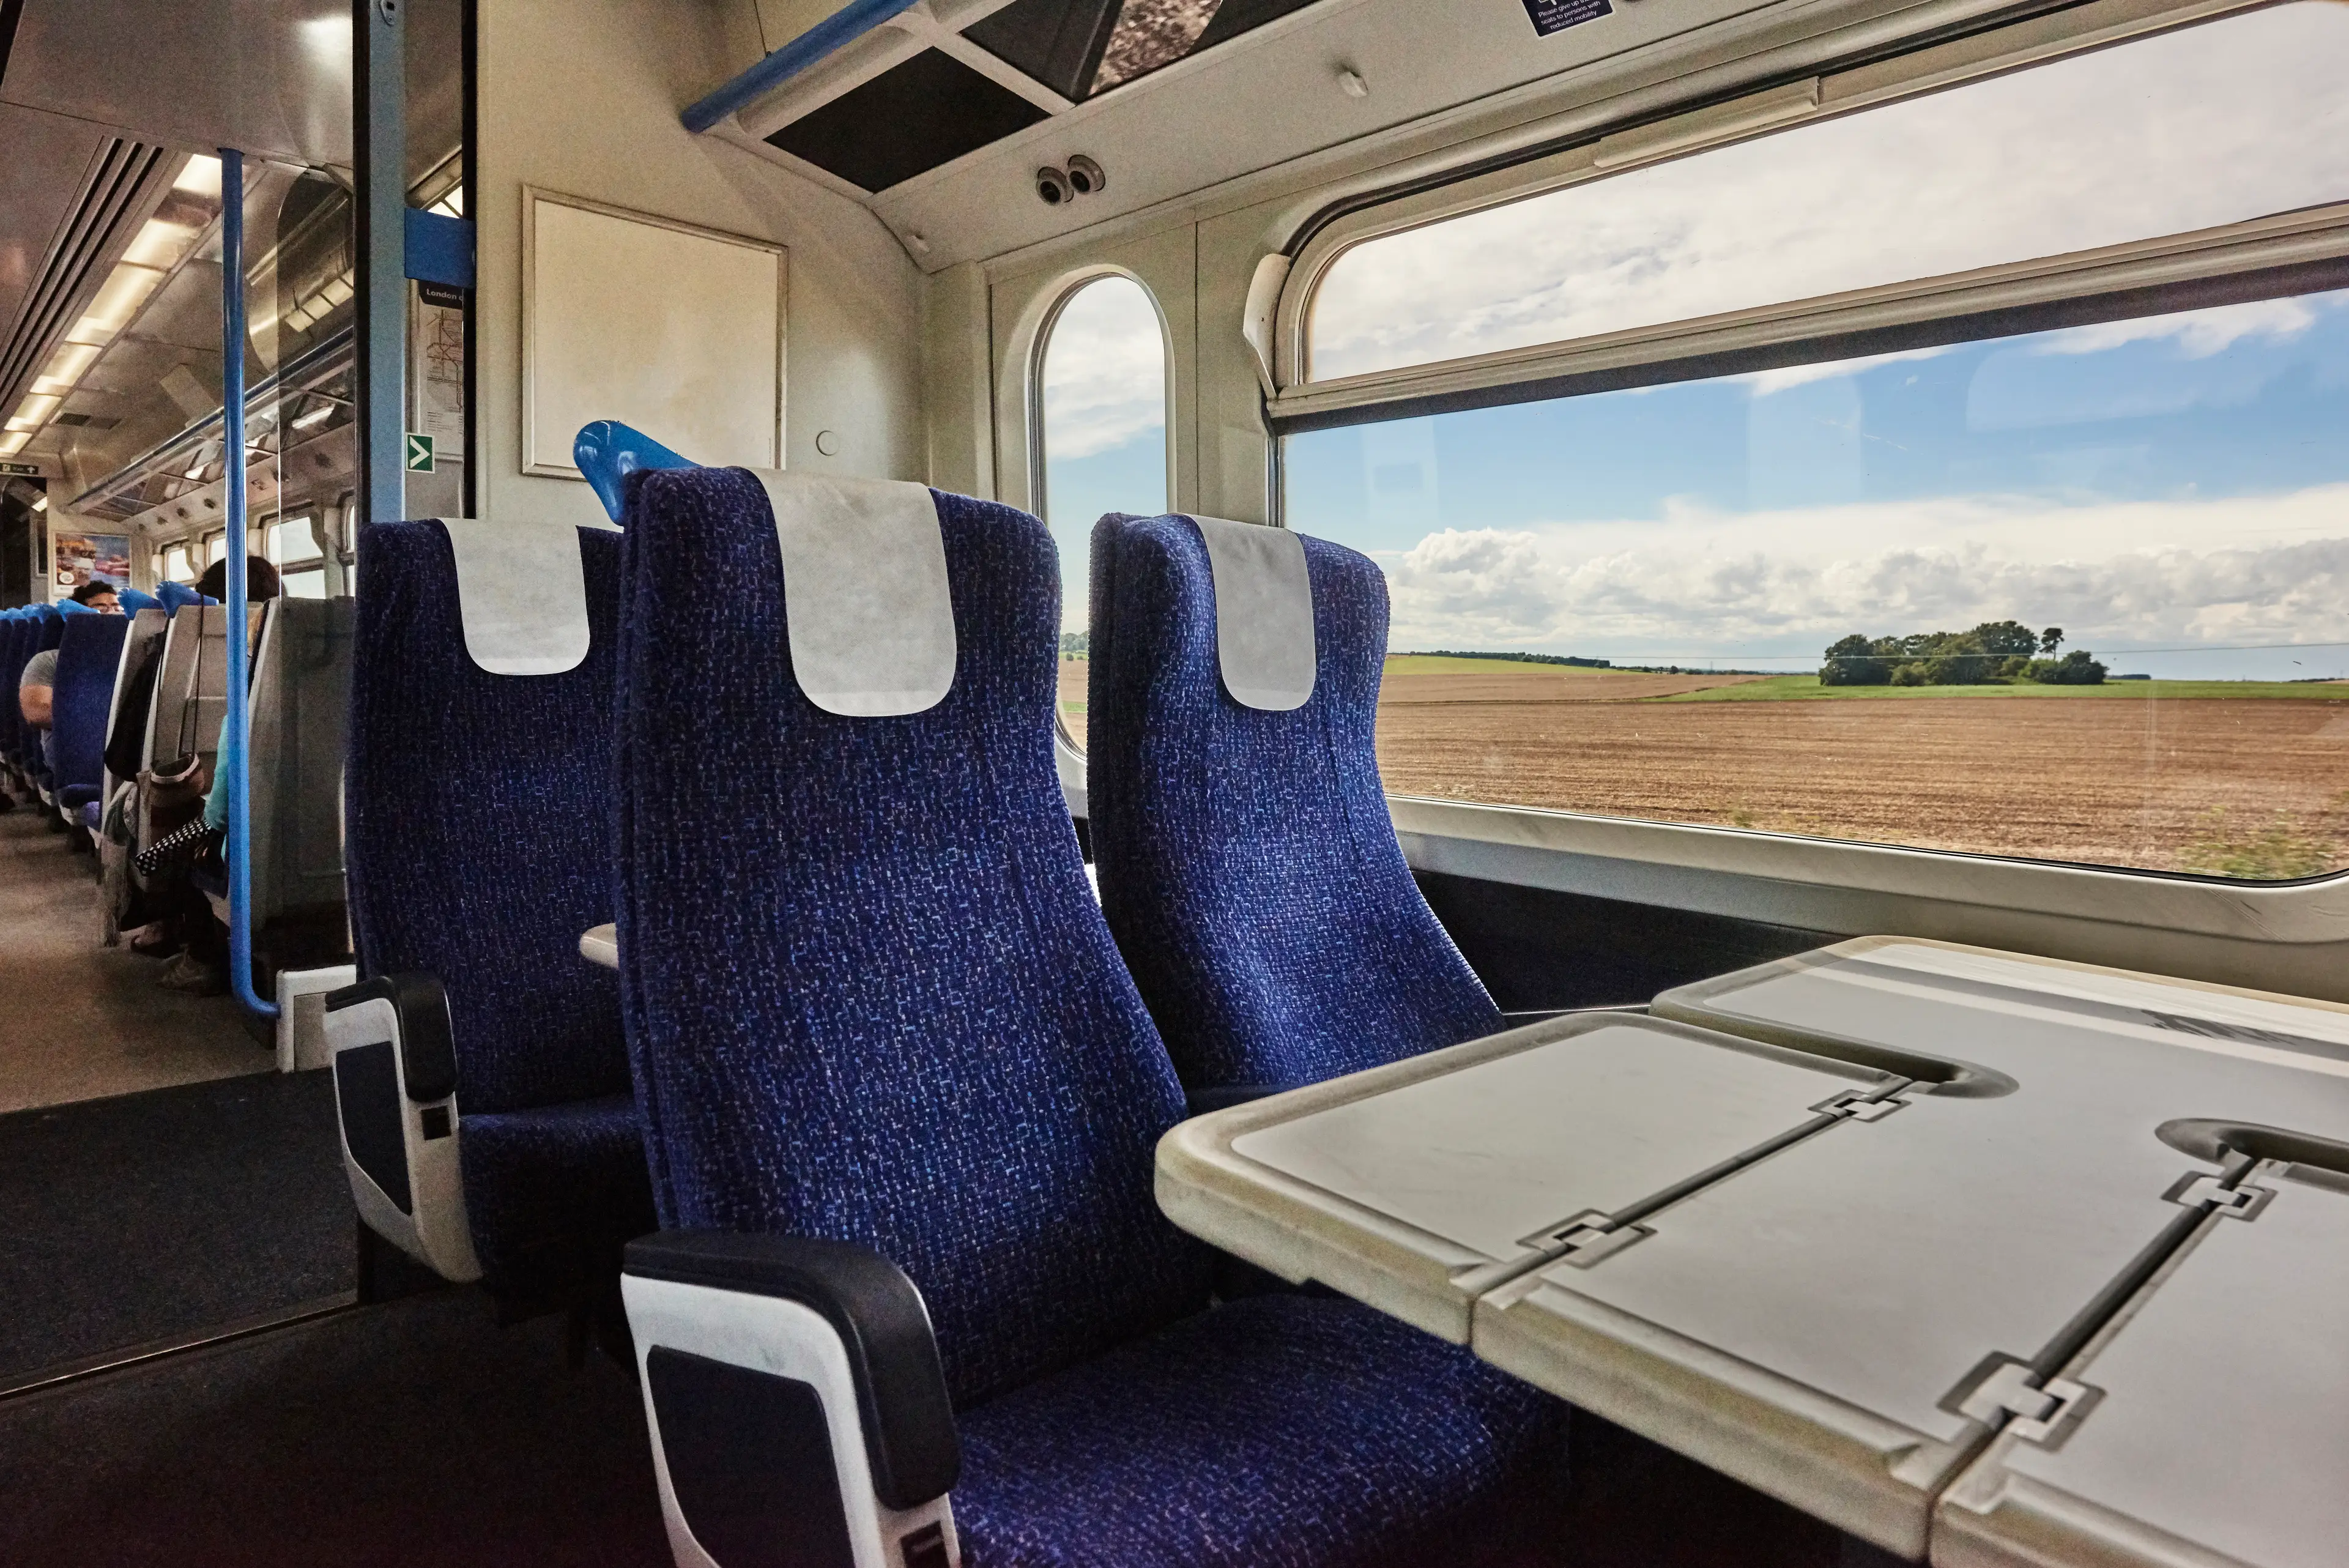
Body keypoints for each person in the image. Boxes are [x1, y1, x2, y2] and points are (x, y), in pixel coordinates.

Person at [139, 557, 280, 995]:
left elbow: (219, 813)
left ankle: (202, 954)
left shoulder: (244, 712)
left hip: (250, 845)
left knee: (187, 842)